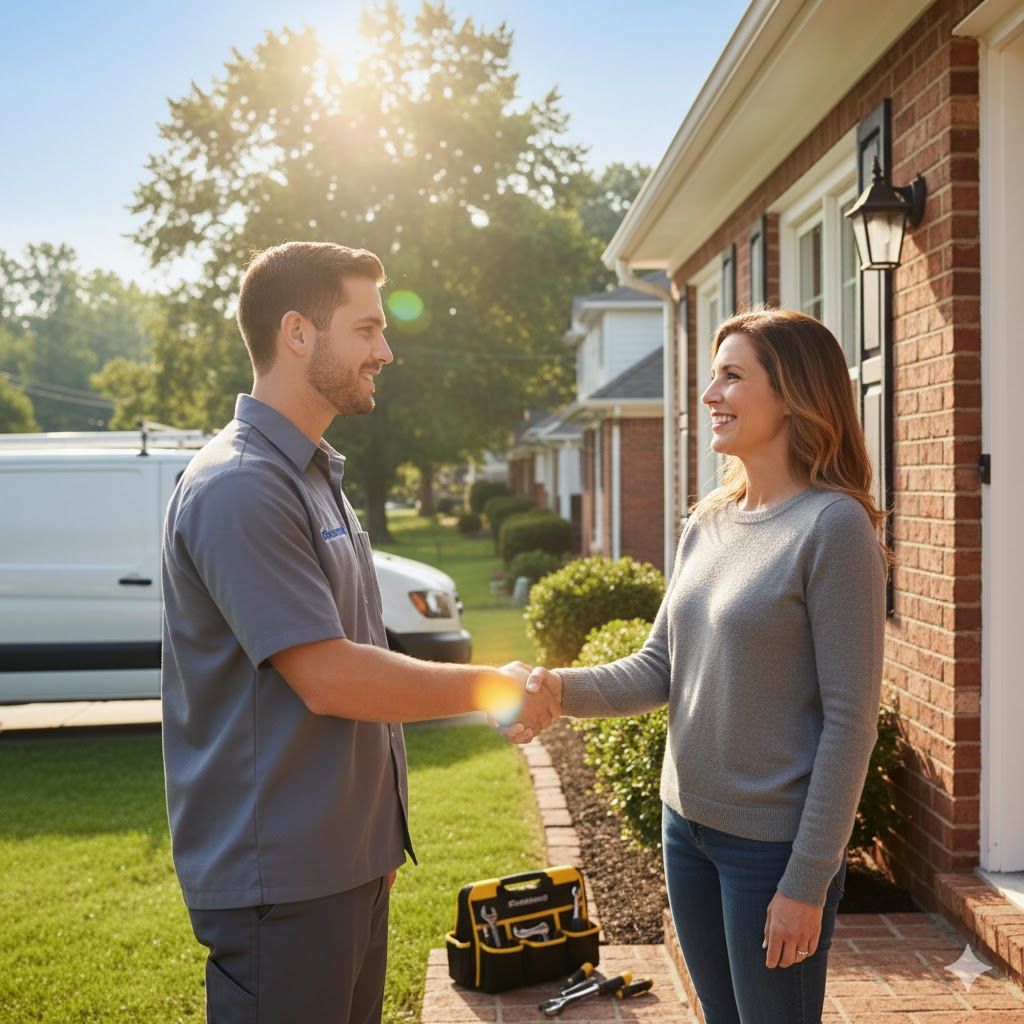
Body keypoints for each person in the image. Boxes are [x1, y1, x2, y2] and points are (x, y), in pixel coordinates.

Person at [160, 241, 559, 1024]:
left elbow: (358, 650)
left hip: (342, 867)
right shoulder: (241, 486)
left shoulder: (313, 477)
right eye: (367, 327)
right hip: (282, 879)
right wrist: (489, 685)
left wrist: (375, 846)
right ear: (298, 333)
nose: (386, 349)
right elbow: (332, 677)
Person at [514, 309, 888, 1024]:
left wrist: (807, 881)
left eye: (732, 376)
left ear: (793, 396)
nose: (709, 395)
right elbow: (661, 667)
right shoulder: (707, 521)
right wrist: (554, 688)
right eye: (712, 376)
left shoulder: (832, 527)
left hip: (770, 851)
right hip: (685, 826)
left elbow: (850, 721)